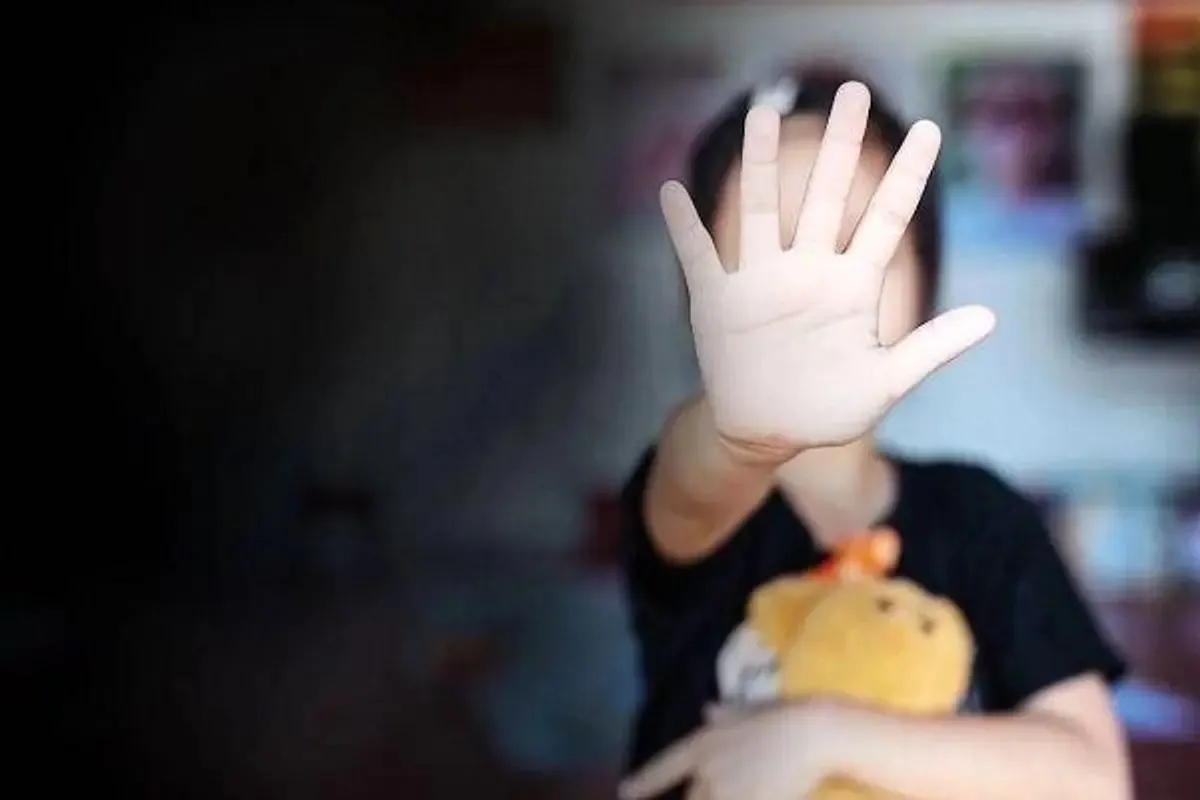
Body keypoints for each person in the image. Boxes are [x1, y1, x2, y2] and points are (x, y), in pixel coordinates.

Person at [617, 69, 1131, 800]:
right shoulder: (691, 490)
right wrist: (741, 433)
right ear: (697, 294)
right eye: (775, 248)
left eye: (859, 242)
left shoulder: (982, 518)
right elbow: (691, 483)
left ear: (926, 280)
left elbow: (1095, 779)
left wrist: (823, 735)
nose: (814, 292)